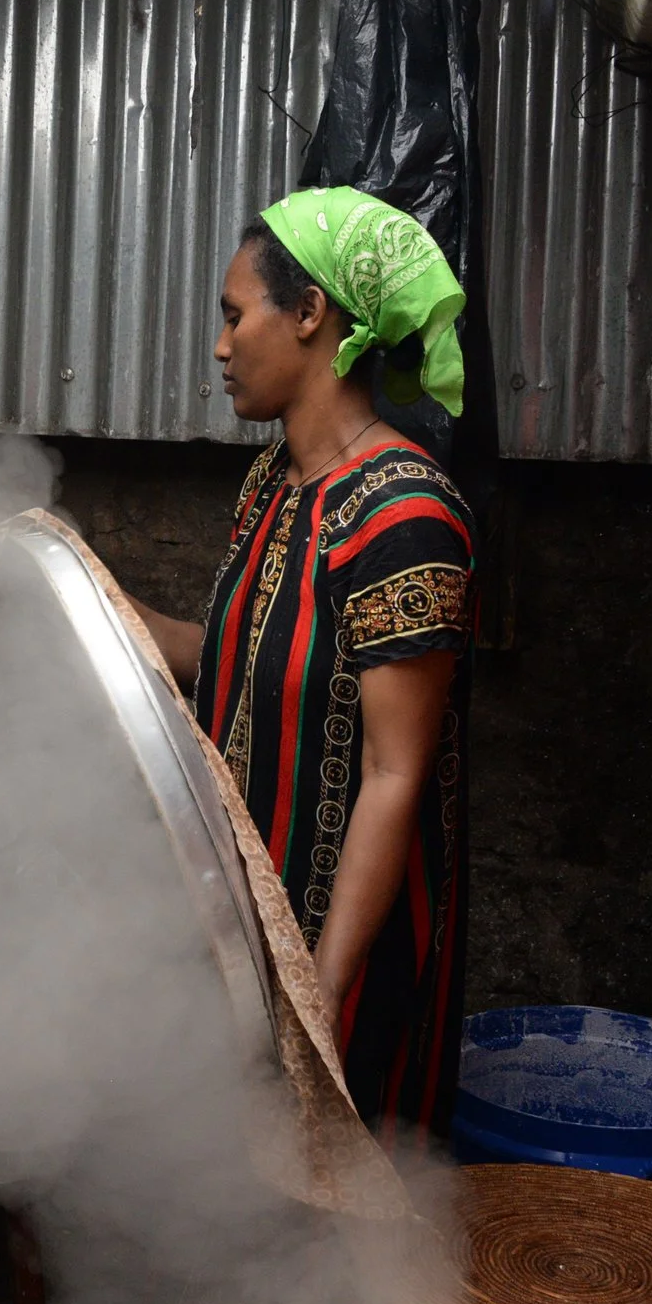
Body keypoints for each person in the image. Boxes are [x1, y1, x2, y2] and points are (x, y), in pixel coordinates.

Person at [133, 187, 475, 1149]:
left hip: (347, 956)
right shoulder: (271, 485)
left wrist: (316, 1001)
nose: (220, 346)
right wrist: (87, 598)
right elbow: (240, 663)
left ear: (313, 314)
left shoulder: (404, 518)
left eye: (236, 315)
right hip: (252, 927)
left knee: (340, 1212)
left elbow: (394, 773)